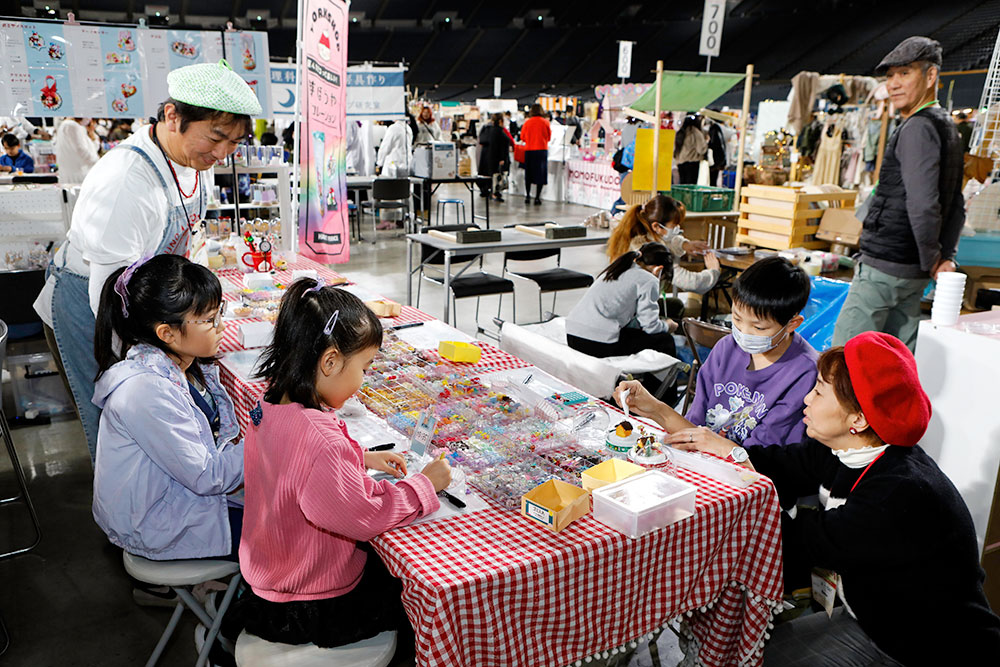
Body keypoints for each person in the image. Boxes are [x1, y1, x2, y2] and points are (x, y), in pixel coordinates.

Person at [652, 332, 1000, 666]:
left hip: (920, 647)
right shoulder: (846, 449)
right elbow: (780, 465)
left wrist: (698, 510)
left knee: (748, 657)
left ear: (858, 419)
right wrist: (722, 447)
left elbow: (797, 542)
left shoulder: (898, 493)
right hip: (867, 614)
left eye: (819, 391)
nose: (807, 399)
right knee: (743, 651)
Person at [32, 59, 259, 462]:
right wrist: (147, 363)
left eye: (234, 143)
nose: (223, 154)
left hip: (145, 305)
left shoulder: (193, 160)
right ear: (172, 116)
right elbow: (108, 294)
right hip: (95, 308)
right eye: (216, 137)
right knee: (119, 426)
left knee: (158, 427)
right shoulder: (126, 181)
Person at [233, 280, 451, 652]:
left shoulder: (267, 403)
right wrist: (424, 486)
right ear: (330, 361)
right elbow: (362, 516)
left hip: (268, 574)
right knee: (415, 600)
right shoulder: (321, 442)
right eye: (365, 367)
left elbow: (293, 460)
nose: (364, 381)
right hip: (311, 602)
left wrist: (357, 458)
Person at [91, 255, 243, 562]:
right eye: (209, 320)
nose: (222, 327)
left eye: (220, 313)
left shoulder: (178, 364)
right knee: (290, 534)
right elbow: (207, 477)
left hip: (176, 499)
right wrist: (268, 439)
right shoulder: (146, 393)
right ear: (167, 333)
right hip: (158, 526)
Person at [832, 37, 964, 352]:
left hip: (886, 266)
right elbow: (956, 202)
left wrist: (933, 259)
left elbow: (923, 204)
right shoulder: (947, 126)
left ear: (930, 76)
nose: (893, 83)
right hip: (912, 271)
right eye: (890, 75)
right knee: (897, 360)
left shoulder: (918, 127)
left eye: (905, 73)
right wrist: (942, 256)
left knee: (843, 358)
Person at [617, 257, 818, 447]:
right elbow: (693, 426)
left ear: (792, 324)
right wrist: (652, 407)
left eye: (759, 328)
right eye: (737, 319)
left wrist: (659, 411)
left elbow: (758, 457)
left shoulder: (803, 372)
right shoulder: (726, 348)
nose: (743, 333)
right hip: (706, 456)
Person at [566, 242, 679, 359]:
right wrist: (667, 325)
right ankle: (663, 371)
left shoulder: (617, 269)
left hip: (572, 335)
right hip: (596, 342)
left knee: (635, 335)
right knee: (665, 341)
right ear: (659, 270)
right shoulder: (649, 279)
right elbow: (650, 327)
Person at [607, 195, 717, 295]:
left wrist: (684, 244)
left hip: (626, 299)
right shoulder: (647, 250)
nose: (677, 229)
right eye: (673, 226)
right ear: (656, 226)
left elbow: (667, 241)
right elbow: (691, 282)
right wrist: (713, 271)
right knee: (676, 305)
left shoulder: (640, 235)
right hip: (631, 305)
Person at [520, 104, 551, 205]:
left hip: (529, 150)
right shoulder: (545, 122)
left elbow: (522, 137)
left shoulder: (527, 123)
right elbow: (549, 137)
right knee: (540, 174)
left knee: (529, 174)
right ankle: (537, 197)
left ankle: (528, 196)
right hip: (542, 150)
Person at [54, 117, 100, 184]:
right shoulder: (72, 126)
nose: (90, 119)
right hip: (78, 175)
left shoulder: (76, 127)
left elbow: (92, 149)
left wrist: (92, 133)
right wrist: (98, 162)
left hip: (76, 174)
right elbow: (81, 150)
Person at [478, 113, 511, 202]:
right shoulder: (499, 132)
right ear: (500, 121)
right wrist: (502, 158)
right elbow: (504, 143)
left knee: (490, 176)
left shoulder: (487, 130)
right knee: (497, 177)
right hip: (496, 159)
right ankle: (495, 193)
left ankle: (489, 191)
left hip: (488, 158)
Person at [674, 114, 708, 185]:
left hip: (680, 162)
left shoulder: (681, 131)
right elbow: (701, 149)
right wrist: (706, 142)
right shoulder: (695, 132)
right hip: (692, 162)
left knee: (682, 185)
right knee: (691, 186)